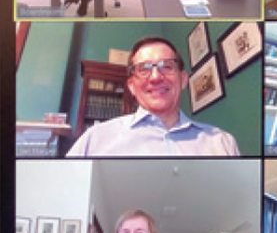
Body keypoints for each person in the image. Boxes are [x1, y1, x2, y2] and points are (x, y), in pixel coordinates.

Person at [67, 36, 240, 156]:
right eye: (144, 68)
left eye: (166, 66)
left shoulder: (223, 144)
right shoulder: (95, 138)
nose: (156, 77)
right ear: (132, 86)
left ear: (183, 79)